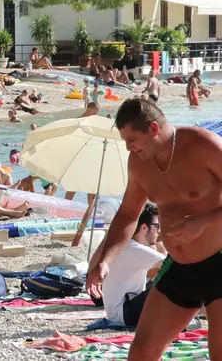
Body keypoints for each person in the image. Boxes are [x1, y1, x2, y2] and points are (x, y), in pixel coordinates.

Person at [86, 98, 222, 359]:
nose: (128, 148)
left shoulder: (202, 145)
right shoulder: (139, 163)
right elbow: (128, 214)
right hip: (180, 266)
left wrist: (201, 222)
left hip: (220, 262)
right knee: (142, 352)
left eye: (132, 140)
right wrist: (106, 261)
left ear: (154, 129)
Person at [99, 203, 166, 328]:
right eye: (157, 226)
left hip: (121, 311)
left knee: (171, 278)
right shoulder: (134, 249)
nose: (159, 231)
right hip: (125, 313)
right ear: (144, 227)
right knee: (174, 280)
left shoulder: (128, 246)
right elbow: (176, 263)